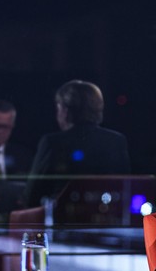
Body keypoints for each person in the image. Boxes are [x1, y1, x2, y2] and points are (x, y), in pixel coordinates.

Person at [25, 80, 131, 208]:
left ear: (64, 110)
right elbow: (125, 190)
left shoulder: (52, 143)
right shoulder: (117, 140)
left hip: (63, 221)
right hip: (108, 219)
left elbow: (32, 195)